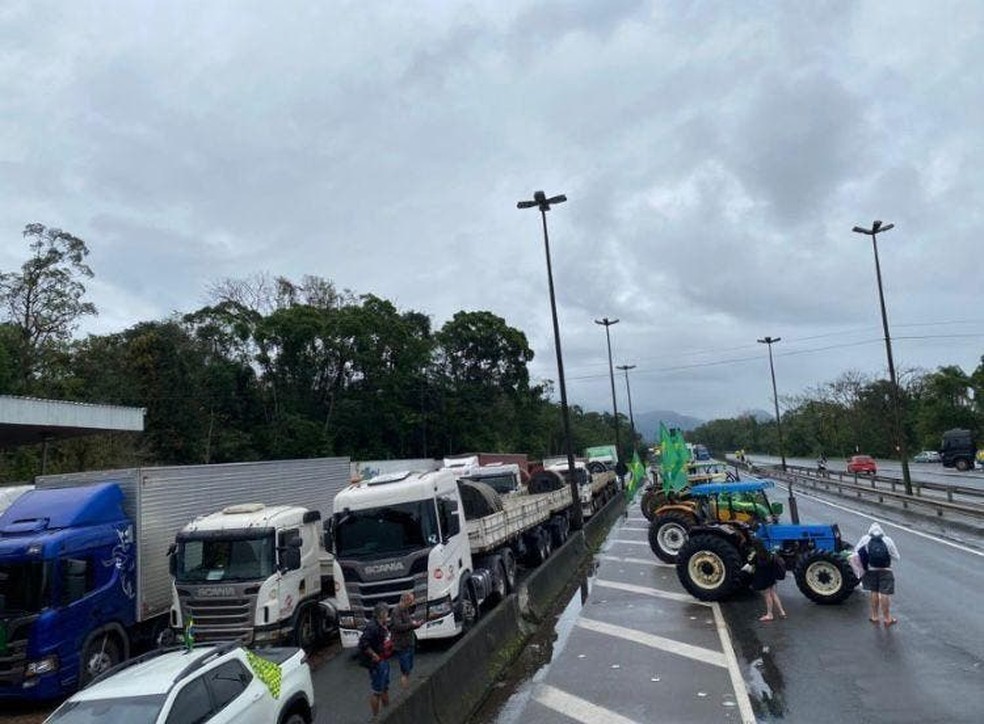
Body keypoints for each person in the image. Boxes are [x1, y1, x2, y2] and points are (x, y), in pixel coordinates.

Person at [856, 522, 901, 626]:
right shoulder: (887, 540)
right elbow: (897, 557)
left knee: (874, 592)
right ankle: (887, 618)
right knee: (885, 593)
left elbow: (857, 552)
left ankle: (875, 616)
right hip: (886, 570)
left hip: (871, 570)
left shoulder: (865, 539)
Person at [358, 602, 393, 717]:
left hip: (384, 660)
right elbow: (363, 643)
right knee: (377, 691)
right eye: (386, 613)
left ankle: (388, 711)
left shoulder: (382, 625)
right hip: (377, 663)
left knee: (384, 687)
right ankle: (376, 717)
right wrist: (373, 655)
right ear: (382, 614)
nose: (388, 615)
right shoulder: (372, 627)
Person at [744, 542, 786, 622]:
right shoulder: (769, 553)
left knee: (767, 596)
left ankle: (769, 614)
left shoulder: (757, 556)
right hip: (771, 577)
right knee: (773, 594)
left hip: (763, 578)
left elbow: (750, 562)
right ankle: (782, 612)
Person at [390, 592, 423, 690]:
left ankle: (407, 686)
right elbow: (398, 627)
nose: (413, 603)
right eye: (411, 601)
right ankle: (406, 690)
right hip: (402, 644)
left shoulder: (406, 610)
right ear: (406, 600)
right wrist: (413, 625)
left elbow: (407, 623)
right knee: (405, 670)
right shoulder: (396, 612)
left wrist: (414, 624)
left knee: (409, 667)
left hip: (409, 642)